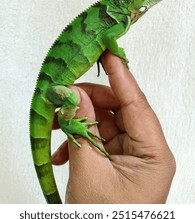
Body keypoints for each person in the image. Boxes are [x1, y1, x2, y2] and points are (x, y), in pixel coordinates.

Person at [51, 50, 176, 204]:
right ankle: (67, 123)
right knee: (72, 98)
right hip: (49, 89)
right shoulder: (112, 29)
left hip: (52, 88)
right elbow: (109, 39)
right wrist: (70, 125)